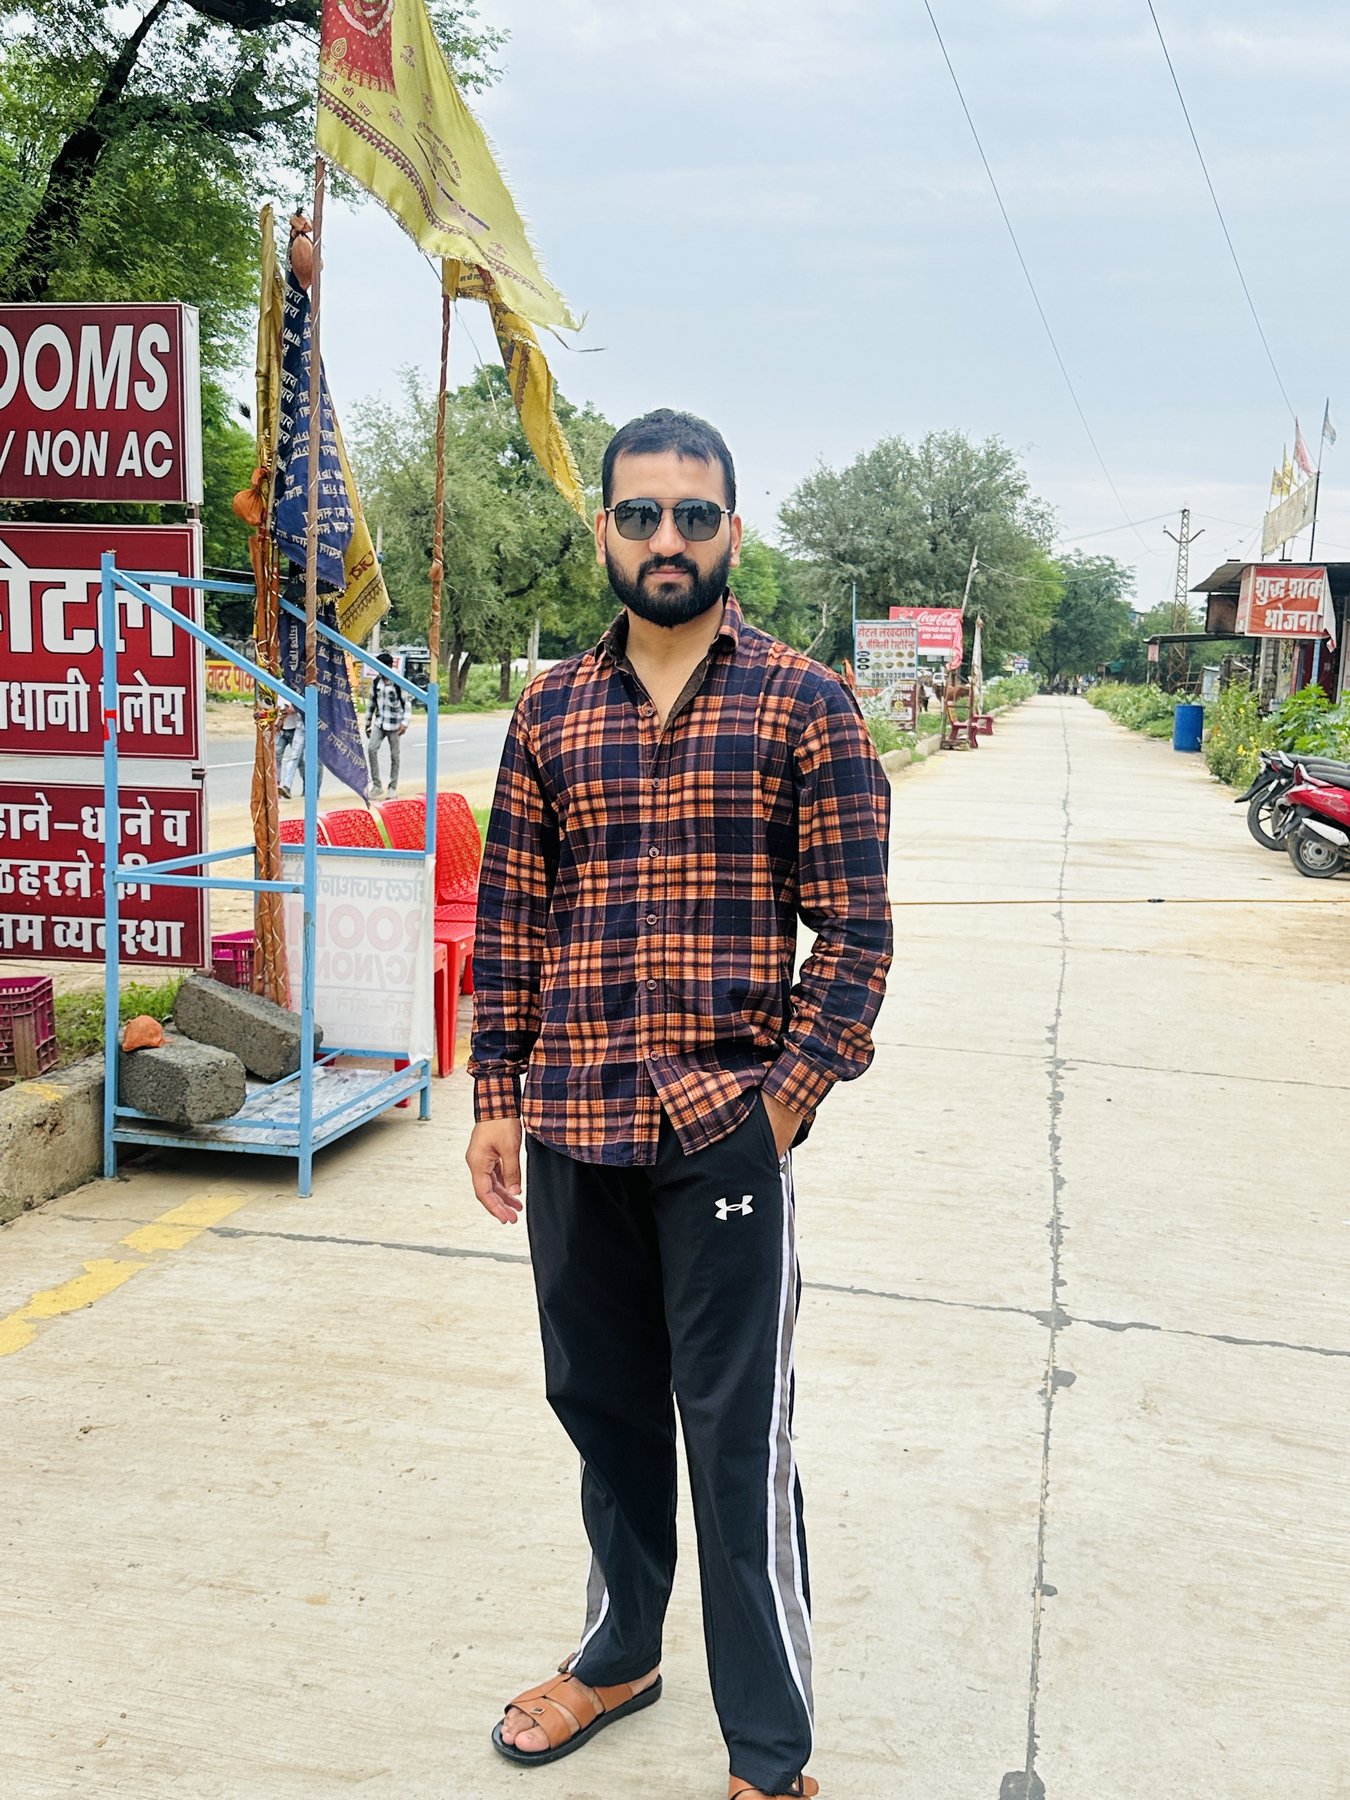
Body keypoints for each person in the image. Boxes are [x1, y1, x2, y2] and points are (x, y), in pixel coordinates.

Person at [465, 409, 893, 1800]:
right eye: (641, 514)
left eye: (693, 516)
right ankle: (619, 1654)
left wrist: (783, 1107)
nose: (667, 540)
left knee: (734, 1434)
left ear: (731, 534)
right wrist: (494, 1094)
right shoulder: (549, 709)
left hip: (722, 1134)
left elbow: (855, 932)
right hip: (572, 1119)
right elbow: (510, 918)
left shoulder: (803, 704)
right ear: (604, 528)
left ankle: (770, 1753)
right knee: (598, 1403)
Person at [366, 651, 411, 797]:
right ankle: (376, 785)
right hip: (380, 723)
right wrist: (367, 724)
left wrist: (405, 723)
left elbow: (407, 703)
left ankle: (392, 787)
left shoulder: (398, 682)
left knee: (394, 756)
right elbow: (371, 704)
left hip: (395, 724)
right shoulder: (376, 683)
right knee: (372, 749)